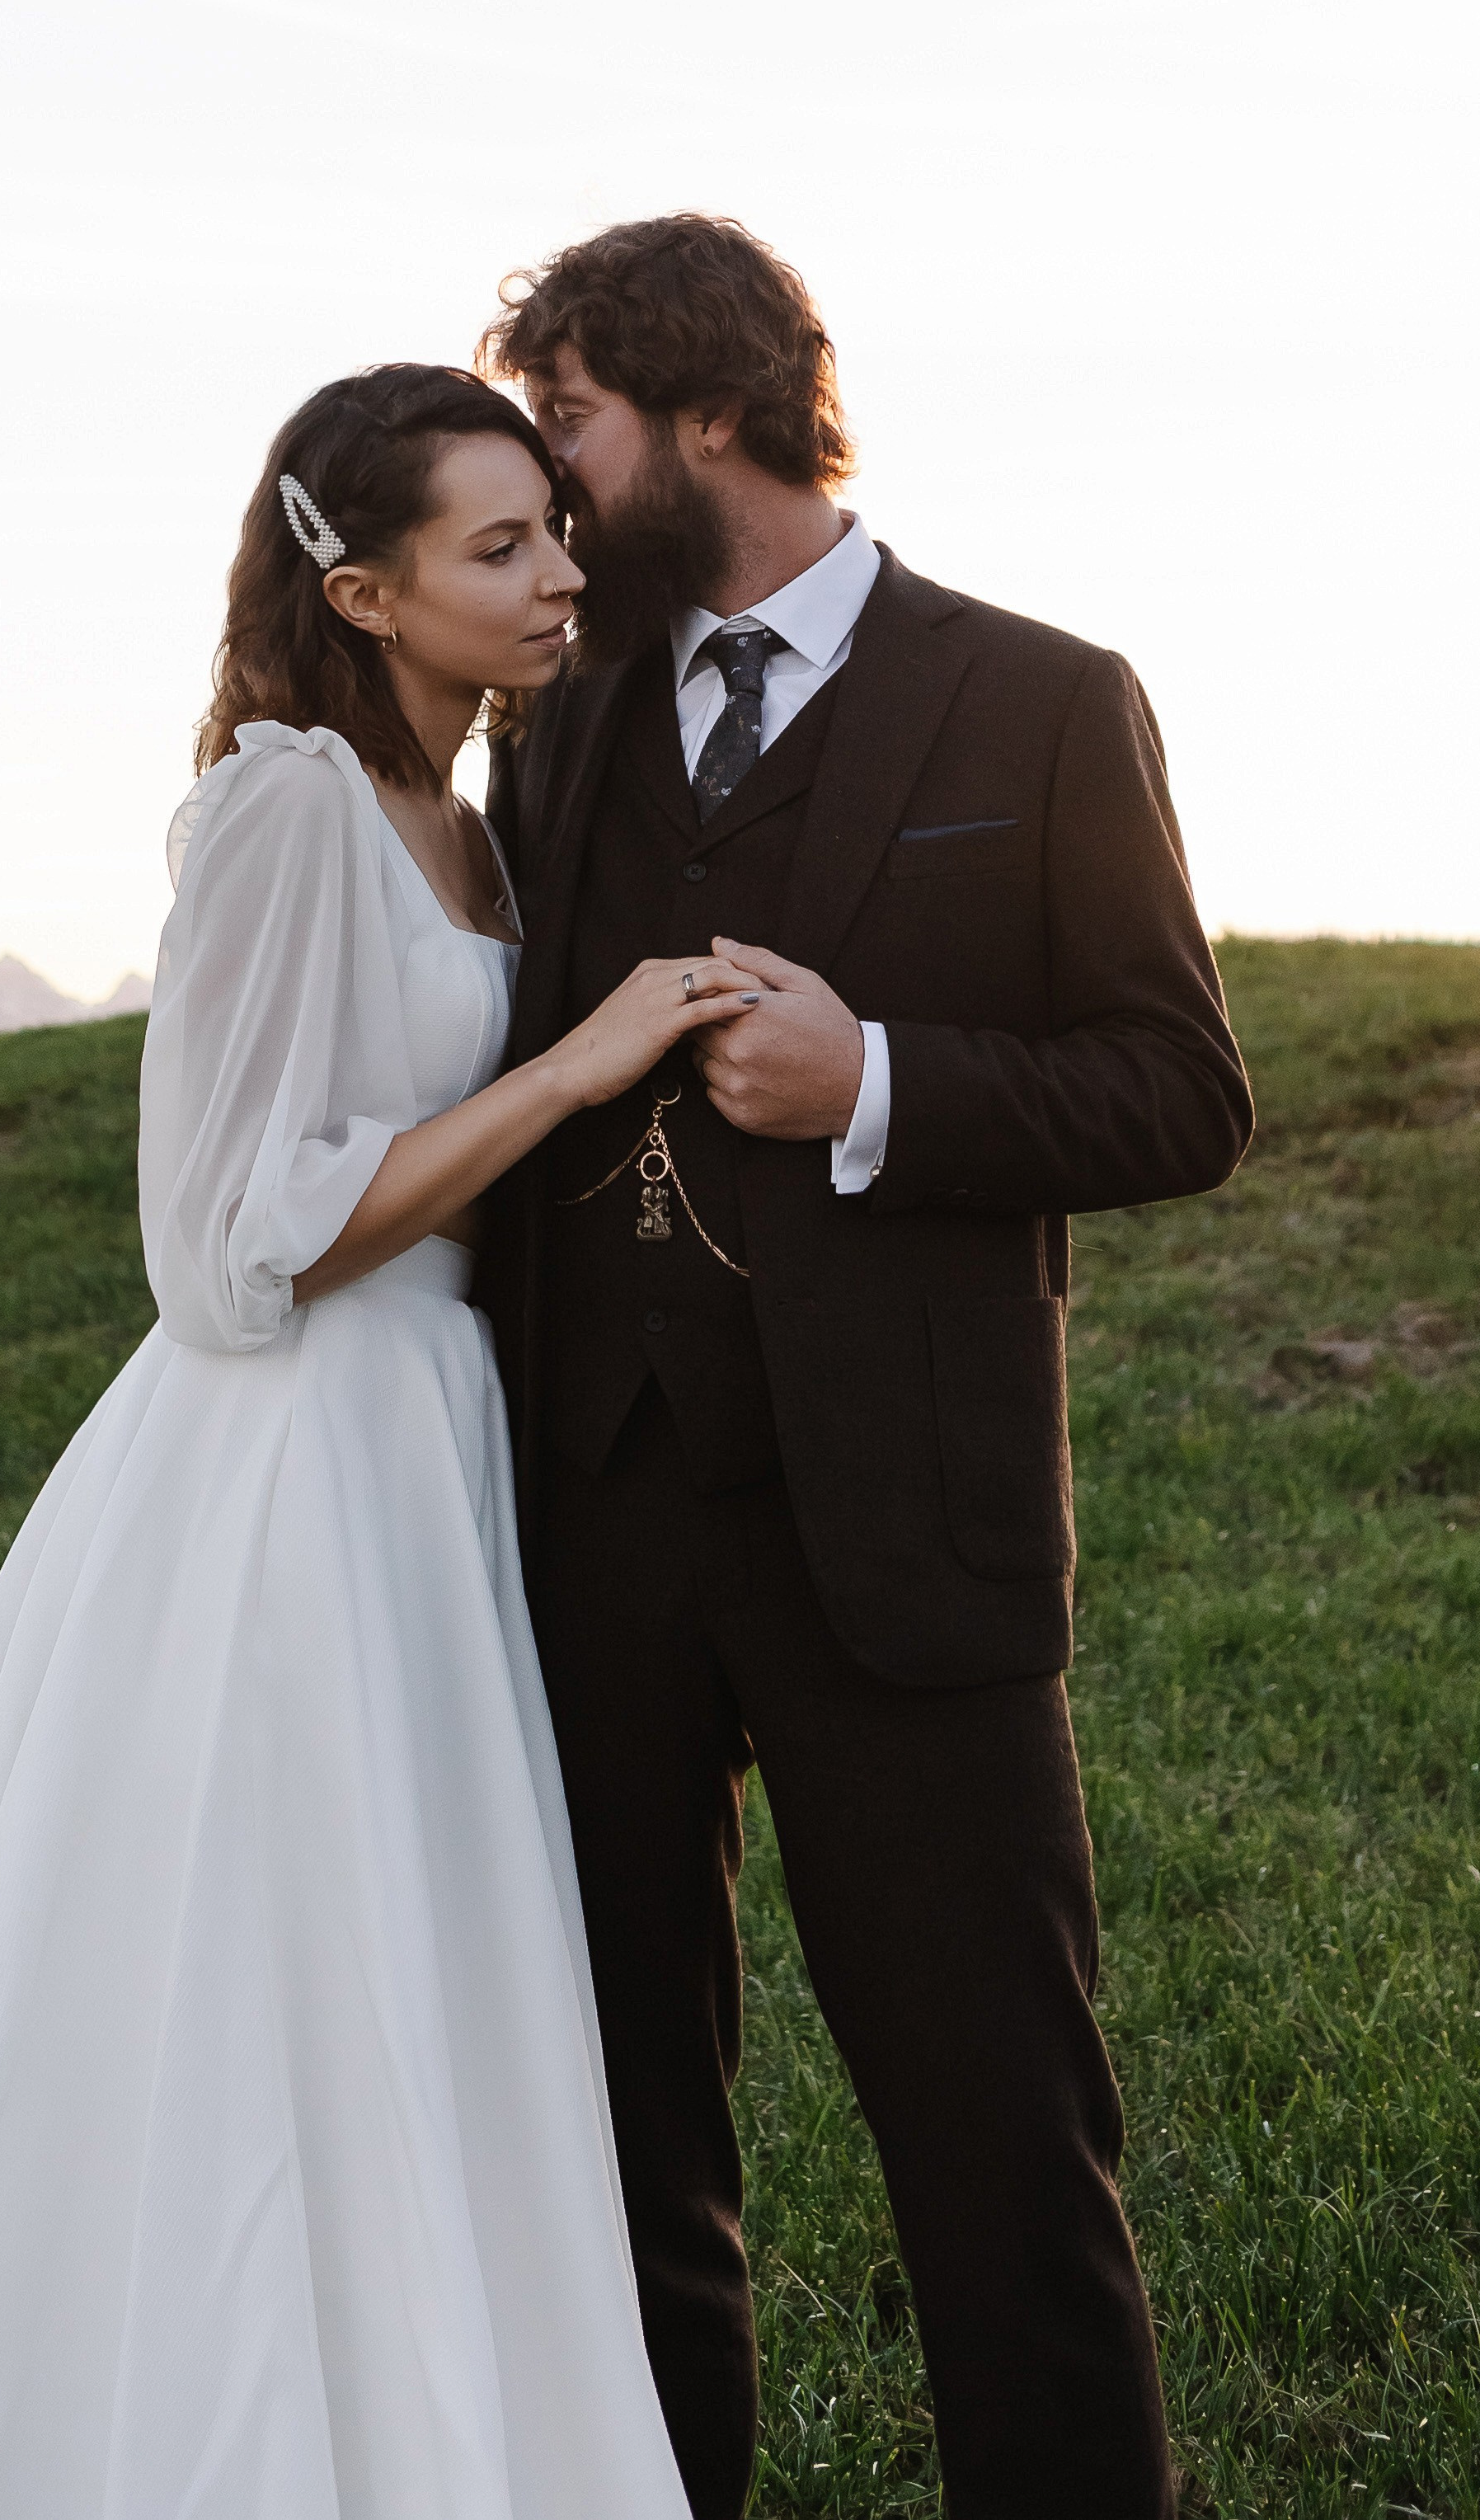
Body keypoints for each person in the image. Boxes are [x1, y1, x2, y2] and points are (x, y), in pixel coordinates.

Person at [0, 364, 759, 2520]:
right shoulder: (285, 805)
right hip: (287, 1466)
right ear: (362, 591)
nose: (558, 573)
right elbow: (223, 1243)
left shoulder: (472, 814)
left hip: (429, 1448)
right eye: (498, 546)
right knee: (253, 1969)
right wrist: (570, 1073)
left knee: (409, 1975)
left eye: (553, 530)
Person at [475, 215, 1256, 2520]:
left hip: (904, 1532)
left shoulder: (1041, 698)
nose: (543, 480)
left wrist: (879, 1080)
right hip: (590, 1524)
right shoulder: (564, 714)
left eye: (568, 423)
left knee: (1000, 2142)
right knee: (620, 2152)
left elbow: (1180, 1092)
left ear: (708, 409)